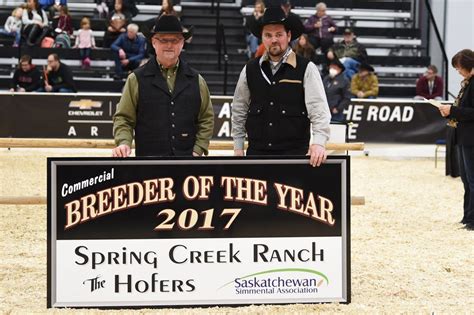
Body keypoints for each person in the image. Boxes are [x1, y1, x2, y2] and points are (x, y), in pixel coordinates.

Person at [232, 6, 331, 167]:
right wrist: (238, 146)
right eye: (268, 35)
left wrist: (319, 142)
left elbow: (318, 109)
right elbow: (239, 109)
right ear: (262, 38)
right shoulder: (249, 69)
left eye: (279, 34)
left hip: (295, 157)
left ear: (289, 35)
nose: (274, 40)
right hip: (256, 154)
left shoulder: (307, 68)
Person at [112, 15, 214, 158]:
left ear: (182, 43)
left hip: (187, 164)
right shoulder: (136, 79)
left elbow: (206, 118)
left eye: (174, 40)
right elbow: (124, 118)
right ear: (154, 42)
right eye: (163, 40)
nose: (169, 45)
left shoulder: (197, 80)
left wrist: (198, 148)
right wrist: (123, 142)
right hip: (148, 164)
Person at [437, 49, 474, 230]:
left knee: (472, 180)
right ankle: (468, 217)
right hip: (463, 135)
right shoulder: (468, 83)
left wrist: (452, 111)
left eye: (459, 68)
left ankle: (472, 220)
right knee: (466, 180)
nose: (458, 71)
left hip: (471, 138)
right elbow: (463, 109)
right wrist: (449, 111)